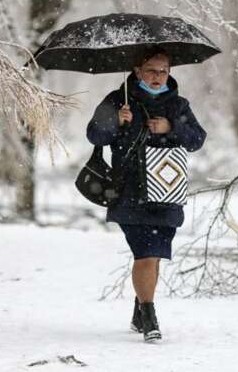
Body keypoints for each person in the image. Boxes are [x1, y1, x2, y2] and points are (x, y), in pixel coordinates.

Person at [86, 48, 207, 342]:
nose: (157, 77)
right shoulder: (119, 99)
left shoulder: (178, 105)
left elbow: (197, 140)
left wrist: (171, 126)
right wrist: (117, 120)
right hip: (130, 193)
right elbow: (94, 135)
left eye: (163, 70)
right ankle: (150, 315)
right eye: (151, 70)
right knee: (146, 252)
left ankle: (139, 311)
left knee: (154, 257)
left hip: (166, 192)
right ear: (138, 71)